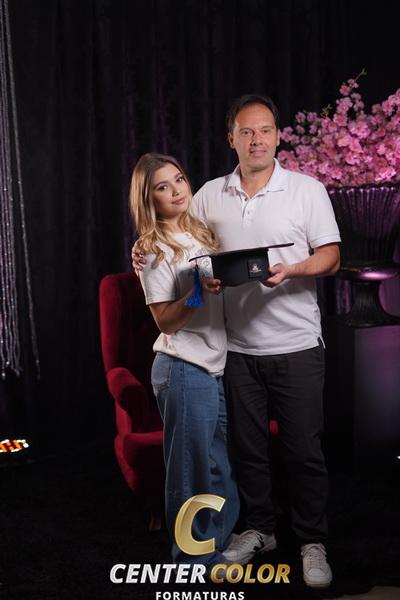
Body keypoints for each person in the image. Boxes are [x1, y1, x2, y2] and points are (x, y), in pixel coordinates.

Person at [133, 95, 340, 589]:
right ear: (232, 139)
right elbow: (171, 234)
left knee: (302, 452)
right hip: (235, 353)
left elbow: (331, 256)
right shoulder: (209, 194)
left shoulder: (306, 190)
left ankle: (311, 541)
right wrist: (143, 243)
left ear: (278, 136)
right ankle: (257, 531)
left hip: (295, 344)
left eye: (265, 130)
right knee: (245, 455)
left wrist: (292, 269)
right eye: (246, 132)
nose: (256, 140)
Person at [129, 152, 239, 572]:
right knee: (190, 474)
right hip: (182, 369)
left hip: (213, 366)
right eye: (163, 186)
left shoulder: (201, 231)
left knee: (217, 466)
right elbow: (165, 322)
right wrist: (195, 292)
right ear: (149, 198)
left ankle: (216, 547)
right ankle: (192, 560)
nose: (176, 191)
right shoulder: (152, 249)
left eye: (178, 179)